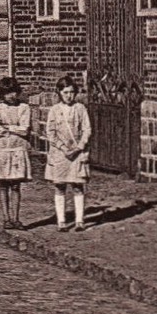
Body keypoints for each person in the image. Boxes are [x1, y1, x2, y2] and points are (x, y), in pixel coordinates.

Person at [45, 76, 93, 231]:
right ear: (59, 93)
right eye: (65, 92)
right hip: (60, 153)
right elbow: (50, 132)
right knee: (60, 186)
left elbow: (87, 129)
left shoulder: (80, 109)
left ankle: (79, 220)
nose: (69, 96)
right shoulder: (54, 110)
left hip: (77, 152)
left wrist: (80, 147)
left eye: (72, 92)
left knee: (78, 185)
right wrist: (63, 147)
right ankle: (61, 221)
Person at [0, 76, 32, 229]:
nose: (11, 96)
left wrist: (7, 128)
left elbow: (25, 129)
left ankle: (16, 218)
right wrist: (14, 128)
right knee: (3, 185)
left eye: (13, 92)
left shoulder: (24, 108)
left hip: (18, 149)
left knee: (16, 185)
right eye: (7, 93)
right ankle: (6, 218)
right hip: (1, 150)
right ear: (2, 95)